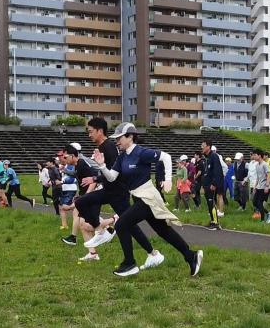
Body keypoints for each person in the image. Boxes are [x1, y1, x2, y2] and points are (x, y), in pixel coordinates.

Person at [94, 122, 203, 277]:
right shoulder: (122, 157)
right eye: (116, 138)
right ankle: (191, 256)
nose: (117, 141)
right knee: (163, 231)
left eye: (119, 138)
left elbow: (166, 157)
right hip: (138, 197)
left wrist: (168, 180)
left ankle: (129, 263)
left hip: (148, 197)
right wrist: (102, 166)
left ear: (130, 137)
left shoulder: (141, 152)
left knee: (121, 225)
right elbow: (111, 177)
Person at [76, 118, 163, 269]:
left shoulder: (109, 147)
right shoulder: (103, 147)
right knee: (81, 202)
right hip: (109, 190)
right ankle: (101, 231)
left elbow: (115, 172)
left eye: (90, 131)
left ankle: (150, 255)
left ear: (100, 131)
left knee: (129, 226)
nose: (89, 135)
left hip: (117, 192)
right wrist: (96, 177)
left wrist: (95, 178)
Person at [60, 145, 100, 258]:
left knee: (89, 225)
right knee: (83, 225)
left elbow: (93, 181)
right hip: (87, 196)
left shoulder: (82, 164)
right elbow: (81, 180)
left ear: (73, 156)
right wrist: (79, 195)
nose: (64, 159)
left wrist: (85, 197)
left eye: (66, 157)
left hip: (93, 196)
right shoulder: (77, 165)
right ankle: (92, 253)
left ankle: (111, 224)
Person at [201, 140, 223, 230]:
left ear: (208, 146)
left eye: (203, 145)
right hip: (206, 184)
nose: (202, 147)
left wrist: (214, 183)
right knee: (209, 204)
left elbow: (217, 171)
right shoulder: (206, 158)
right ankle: (212, 221)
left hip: (211, 185)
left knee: (212, 203)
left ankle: (216, 224)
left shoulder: (214, 156)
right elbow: (206, 172)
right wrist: (203, 184)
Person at [251, 148, 270, 223]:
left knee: (259, 203)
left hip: (264, 187)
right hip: (258, 187)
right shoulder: (257, 165)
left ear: (259, 155)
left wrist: (267, 186)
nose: (254, 157)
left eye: (255, 155)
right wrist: (255, 186)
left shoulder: (265, 164)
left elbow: (268, 175)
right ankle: (268, 213)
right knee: (255, 202)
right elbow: (258, 177)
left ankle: (262, 220)